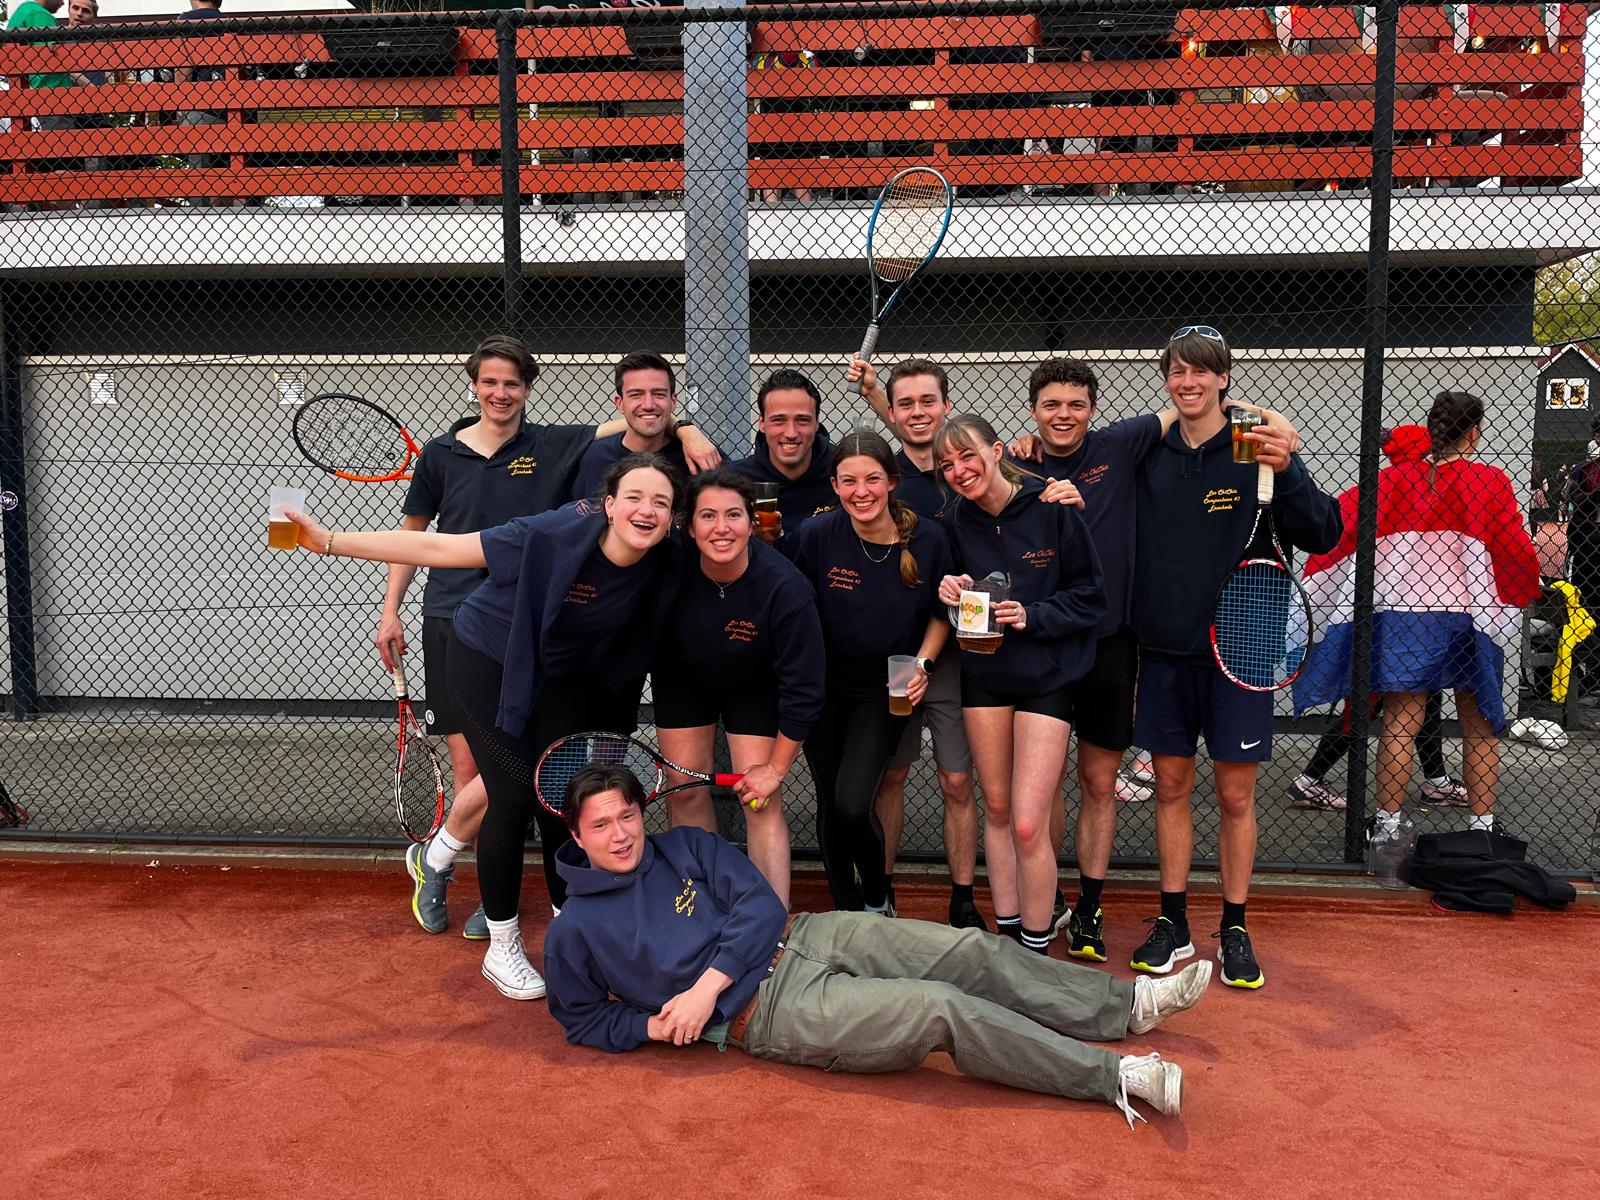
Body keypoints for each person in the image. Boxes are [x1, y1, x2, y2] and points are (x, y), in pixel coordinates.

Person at [542, 763, 1212, 1129]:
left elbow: (760, 907)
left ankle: (1128, 1005)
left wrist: (703, 988)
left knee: (972, 950)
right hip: (770, 1011)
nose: (622, 834)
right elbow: (581, 1018)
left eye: (628, 815)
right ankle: (1116, 1077)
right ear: (575, 836)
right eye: (602, 825)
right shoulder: (576, 930)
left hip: (805, 933)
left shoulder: (684, 845)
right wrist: (654, 1026)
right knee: (941, 1008)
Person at [287, 454, 686, 1001]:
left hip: (557, 673)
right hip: (487, 657)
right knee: (514, 793)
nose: (647, 510)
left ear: (671, 517)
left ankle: (576, 927)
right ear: (610, 505)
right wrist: (329, 540)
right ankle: (502, 945)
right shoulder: (551, 533)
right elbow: (444, 549)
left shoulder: (667, 557)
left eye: (661, 502)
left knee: (565, 795)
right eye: (635, 498)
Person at [386, 336, 715, 940]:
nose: (500, 392)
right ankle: (464, 876)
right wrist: (388, 608)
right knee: (488, 773)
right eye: (490, 381)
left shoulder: (556, 445)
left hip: (552, 631)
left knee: (542, 777)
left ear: (528, 389)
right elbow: (423, 538)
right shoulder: (441, 454)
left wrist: (687, 425)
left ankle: (505, 885)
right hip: (468, 621)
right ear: (473, 386)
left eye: (511, 382)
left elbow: (639, 418)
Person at [1130, 326, 1339, 990]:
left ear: (1224, 377)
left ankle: (1236, 925)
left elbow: (1325, 529)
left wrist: (1291, 467)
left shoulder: (1255, 441)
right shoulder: (1151, 448)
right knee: (1170, 788)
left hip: (1240, 651)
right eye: (1177, 371)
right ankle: (1173, 922)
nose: (1188, 381)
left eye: (1202, 371)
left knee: (1235, 794)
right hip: (1164, 651)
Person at [1295, 392, 1542, 837]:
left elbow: (1340, 522)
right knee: (1479, 725)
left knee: (1399, 724)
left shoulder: (1391, 480)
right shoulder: (1489, 481)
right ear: (1473, 433)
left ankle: (1387, 827)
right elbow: (1513, 545)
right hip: (1470, 614)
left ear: (1432, 430)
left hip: (1403, 615)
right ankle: (1481, 828)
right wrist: (1524, 585)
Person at [1004, 358, 1182, 961]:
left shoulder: (1120, 444)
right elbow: (940, 451)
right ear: (1033, 409)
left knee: (1099, 781)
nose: (1064, 415)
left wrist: (1268, 424)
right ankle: (1047, 895)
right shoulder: (1016, 464)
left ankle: (1090, 907)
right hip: (1045, 645)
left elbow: (1190, 404)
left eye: (1076, 404)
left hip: (1110, 642)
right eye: (1051, 405)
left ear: (1093, 409)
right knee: (1046, 781)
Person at [935, 415, 1106, 955]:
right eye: (947, 464)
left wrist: (1035, 615)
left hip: (1045, 678)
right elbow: (949, 592)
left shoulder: (1051, 506)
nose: (959, 471)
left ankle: (1035, 948)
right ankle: (1008, 942)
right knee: (999, 811)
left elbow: (1091, 597)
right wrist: (947, 587)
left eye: (968, 455)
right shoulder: (954, 520)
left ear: (996, 450)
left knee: (1029, 824)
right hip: (985, 675)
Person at [845, 355, 983, 929]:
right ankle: (882, 893)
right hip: (902, 657)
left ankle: (963, 899)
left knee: (957, 779)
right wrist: (876, 393)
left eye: (929, 401)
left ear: (948, 406)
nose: (918, 412)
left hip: (961, 650)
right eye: (905, 404)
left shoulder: (965, 467)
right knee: (892, 775)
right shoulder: (885, 475)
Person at [788, 432, 952, 913]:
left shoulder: (928, 538)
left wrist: (923, 663)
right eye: (849, 481)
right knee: (829, 800)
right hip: (823, 687)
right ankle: (846, 906)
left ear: (892, 482)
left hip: (890, 686)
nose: (861, 492)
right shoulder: (817, 535)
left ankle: (878, 902)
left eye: (872, 480)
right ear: (834, 486)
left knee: (853, 803)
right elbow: (787, 599)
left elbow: (942, 612)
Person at [653, 467, 825, 907]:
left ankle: (771, 922)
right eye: (708, 516)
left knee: (759, 799)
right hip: (683, 679)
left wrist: (775, 771)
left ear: (753, 522)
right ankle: (703, 905)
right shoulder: (668, 566)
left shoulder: (786, 588)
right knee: (684, 789)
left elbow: (804, 692)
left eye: (733, 515)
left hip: (754, 684)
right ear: (689, 527)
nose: (722, 528)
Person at [1288, 424, 1467, 813]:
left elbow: (1334, 531)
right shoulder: (1432, 486)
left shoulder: (1376, 486)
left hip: (1383, 610)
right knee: (1371, 702)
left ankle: (1436, 780)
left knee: (1421, 695)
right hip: (1417, 613)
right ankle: (1309, 778)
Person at [570, 352, 721, 500]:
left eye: (659, 394)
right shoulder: (595, 458)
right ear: (620, 403)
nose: (648, 405)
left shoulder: (700, 455)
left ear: (673, 401)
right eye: (636, 395)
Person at [729, 369, 835, 536]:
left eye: (802, 420)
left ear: (816, 423)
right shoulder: (735, 481)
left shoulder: (842, 472)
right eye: (779, 420)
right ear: (762, 423)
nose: (791, 433)